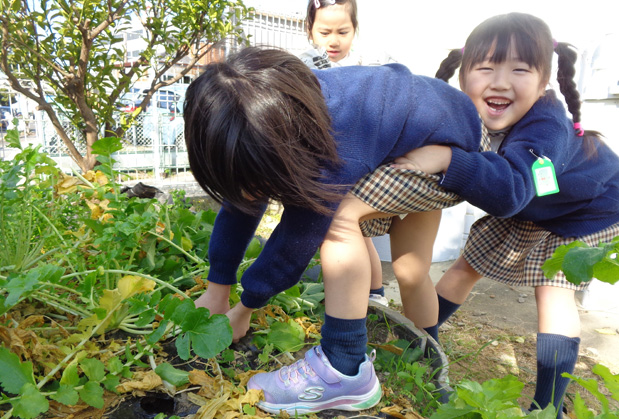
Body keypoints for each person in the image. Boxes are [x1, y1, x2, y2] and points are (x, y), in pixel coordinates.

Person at [186, 46, 483, 415]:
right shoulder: (273, 107)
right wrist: (218, 287)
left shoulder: (336, 139)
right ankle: (426, 364)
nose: (250, 193)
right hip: (422, 126)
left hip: (450, 149)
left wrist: (244, 308)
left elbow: (296, 241)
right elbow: (241, 201)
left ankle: (343, 367)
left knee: (335, 219)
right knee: (411, 270)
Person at [392, 13, 619, 418]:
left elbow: (509, 191)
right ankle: (420, 349)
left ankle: (547, 408)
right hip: (528, 196)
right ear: (463, 74)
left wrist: (450, 159)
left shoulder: (546, 124)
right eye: (486, 67)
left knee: (554, 292)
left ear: (543, 83)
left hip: (589, 207)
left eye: (520, 69)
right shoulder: (466, 113)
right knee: (465, 268)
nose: (501, 81)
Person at [300, 0, 396, 308]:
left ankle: (373, 293)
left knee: (351, 228)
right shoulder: (304, 65)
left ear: (355, 29)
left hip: (362, 158)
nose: (334, 40)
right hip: (325, 159)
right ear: (309, 30)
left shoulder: (366, 64)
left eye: (343, 32)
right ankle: (364, 292)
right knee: (346, 229)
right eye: (324, 32)